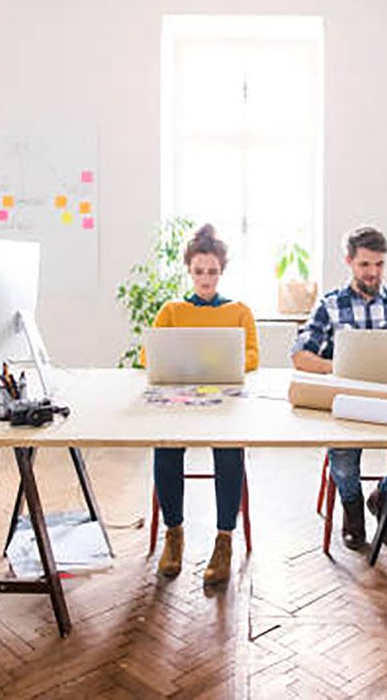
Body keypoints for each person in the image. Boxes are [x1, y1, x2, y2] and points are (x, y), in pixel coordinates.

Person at [291, 226, 387, 551]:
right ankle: (353, 512)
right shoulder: (330, 305)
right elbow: (300, 356)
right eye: (365, 265)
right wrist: (339, 366)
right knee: (342, 455)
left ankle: (384, 498)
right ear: (349, 261)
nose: (373, 272)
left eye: (379, 265)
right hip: (348, 405)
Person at [148, 224, 259, 586]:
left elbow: (254, 355)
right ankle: (174, 534)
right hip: (180, 400)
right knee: (165, 449)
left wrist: (224, 363)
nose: (206, 279)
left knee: (229, 453)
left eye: (212, 272)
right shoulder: (172, 310)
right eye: (199, 271)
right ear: (189, 271)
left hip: (223, 401)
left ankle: (224, 539)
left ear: (221, 272)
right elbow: (148, 354)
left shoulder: (238, 311)